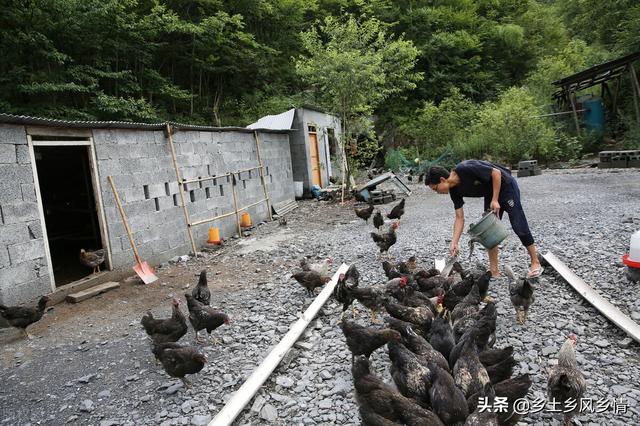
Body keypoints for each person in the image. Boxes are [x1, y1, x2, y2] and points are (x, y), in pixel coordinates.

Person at [425, 159, 543, 278]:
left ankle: (535, 262)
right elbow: (459, 218)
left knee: (518, 224)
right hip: (490, 193)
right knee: (489, 231)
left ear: (442, 180)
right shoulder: (454, 191)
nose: (437, 192)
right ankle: (494, 270)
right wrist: (454, 242)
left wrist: (495, 200)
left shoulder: (464, 168)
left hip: (506, 186)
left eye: (435, 189)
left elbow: (496, 173)